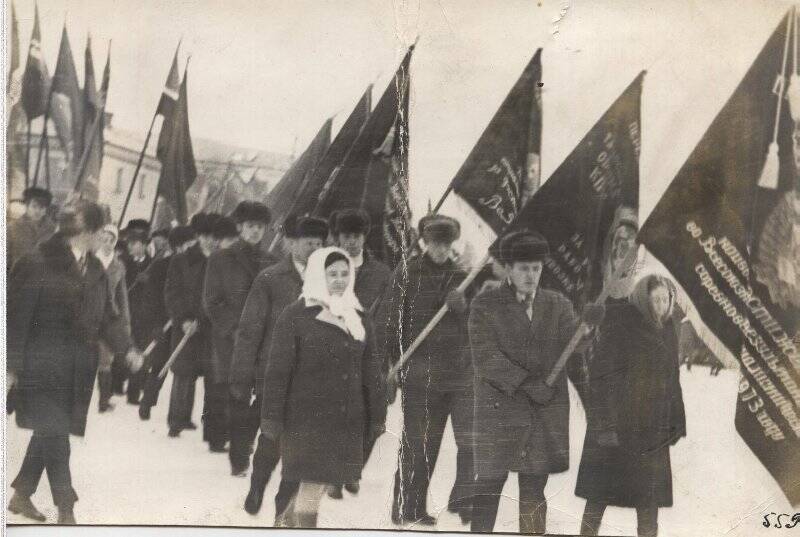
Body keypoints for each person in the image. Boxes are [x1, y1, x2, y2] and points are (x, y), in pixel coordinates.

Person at [6, 202, 144, 524]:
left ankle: (22, 495)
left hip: (77, 369)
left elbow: (108, 318)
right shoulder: (37, 262)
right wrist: (10, 368)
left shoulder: (94, 268)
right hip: (39, 367)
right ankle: (67, 509)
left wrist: (127, 350)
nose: (107, 238)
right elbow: (14, 319)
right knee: (55, 433)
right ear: (85, 232)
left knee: (50, 431)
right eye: (101, 232)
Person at [468, 230, 603, 535]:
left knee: (533, 492)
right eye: (523, 268)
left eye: (536, 268)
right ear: (509, 269)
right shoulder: (485, 305)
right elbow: (486, 358)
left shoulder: (557, 303)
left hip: (540, 417)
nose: (530, 275)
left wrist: (589, 328)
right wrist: (529, 383)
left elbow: (572, 344)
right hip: (499, 415)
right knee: (488, 487)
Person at [260, 247, 387, 528]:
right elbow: (277, 371)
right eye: (332, 274)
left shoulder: (359, 317)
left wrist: (377, 414)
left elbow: (371, 370)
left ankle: (286, 521)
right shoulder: (296, 315)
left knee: (318, 484)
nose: (339, 280)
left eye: (344, 273)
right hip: (306, 417)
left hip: (345, 418)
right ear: (319, 275)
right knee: (311, 483)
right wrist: (271, 416)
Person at [377, 213, 475, 526]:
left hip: (453, 374)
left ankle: (418, 507)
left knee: (440, 443)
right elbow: (391, 318)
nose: (440, 249)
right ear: (425, 241)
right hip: (419, 372)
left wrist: (464, 309)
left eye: (446, 244)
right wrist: (388, 363)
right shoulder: (408, 273)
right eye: (435, 243)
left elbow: (474, 327)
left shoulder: (463, 278)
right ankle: (404, 504)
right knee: (417, 442)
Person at [232, 215, 328, 518]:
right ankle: (257, 485)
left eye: (318, 243)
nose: (313, 249)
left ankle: (282, 507)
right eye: (307, 242)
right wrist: (243, 373)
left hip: (310, 379)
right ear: (292, 243)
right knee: (271, 436)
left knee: (298, 445)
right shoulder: (270, 278)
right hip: (271, 373)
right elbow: (250, 329)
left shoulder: (330, 281)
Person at [576, 274, 686, 537]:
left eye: (664, 300)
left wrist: (676, 419)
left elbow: (673, 377)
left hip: (651, 431)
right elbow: (600, 378)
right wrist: (604, 426)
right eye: (655, 300)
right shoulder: (621, 323)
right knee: (598, 497)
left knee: (648, 503)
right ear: (642, 300)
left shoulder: (668, 328)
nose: (660, 306)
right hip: (617, 429)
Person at [203, 201, 276, 472]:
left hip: (263, 343)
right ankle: (239, 456)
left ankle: (244, 442)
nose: (255, 231)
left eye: (260, 227)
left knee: (262, 396)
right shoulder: (221, 259)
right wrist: (234, 330)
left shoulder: (272, 261)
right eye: (250, 226)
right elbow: (212, 301)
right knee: (236, 396)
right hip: (231, 341)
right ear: (240, 227)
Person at [326, 209, 391, 499]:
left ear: (365, 237)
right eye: (346, 236)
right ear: (338, 238)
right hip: (332, 351)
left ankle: (353, 470)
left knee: (371, 418)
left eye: (357, 236)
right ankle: (334, 476)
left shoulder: (381, 273)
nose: (352, 242)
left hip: (370, 353)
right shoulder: (327, 269)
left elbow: (390, 314)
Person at [164, 214, 219, 438]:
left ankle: (212, 428)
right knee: (184, 373)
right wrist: (183, 320)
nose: (209, 241)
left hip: (211, 328)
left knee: (213, 376)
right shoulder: (181, 260)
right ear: (197, 236)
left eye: (214, 236)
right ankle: (177, 421)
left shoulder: (223, 260)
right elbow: (172, 293)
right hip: (186, 326)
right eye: (205, 236)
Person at [139, 226, 196, 420]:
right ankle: (147, 400)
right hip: (164, 322)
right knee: (159, 364)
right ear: (179, 246)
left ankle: (181, 415)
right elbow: (150, 298)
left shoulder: (193, 266)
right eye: (190, 243)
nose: (193, 247)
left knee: (183, 366)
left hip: (182, 320)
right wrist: (155, 325)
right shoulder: (161, 266)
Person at [94, 224, 132, 413]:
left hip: (110, 317)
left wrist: (125, 321)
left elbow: (122, 296)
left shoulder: (118, 266)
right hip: (89, 315)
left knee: (105, 359)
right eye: (104, 240)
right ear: (99, 240)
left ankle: (104, 401)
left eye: (111, 241)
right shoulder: (91, 260)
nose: (107, 244)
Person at [117, 219, 153, 403]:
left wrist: (148, 281)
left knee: (140, 352)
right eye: (129, 243)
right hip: (126, 314)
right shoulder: (123, 262)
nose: (130, 247)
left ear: (145, 245)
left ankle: (133, 394)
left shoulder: (153, 264)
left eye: (134, 243)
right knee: (123, 349)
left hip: (144, 317)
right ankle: (116, 384)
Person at [7, 187, 56, 272]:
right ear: (26, 206)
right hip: (19, 276)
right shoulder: (12, 228)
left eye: (42, 207)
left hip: (44, 277)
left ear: (46, 209)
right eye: (34, 206)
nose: (37, 211)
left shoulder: (53, 229)